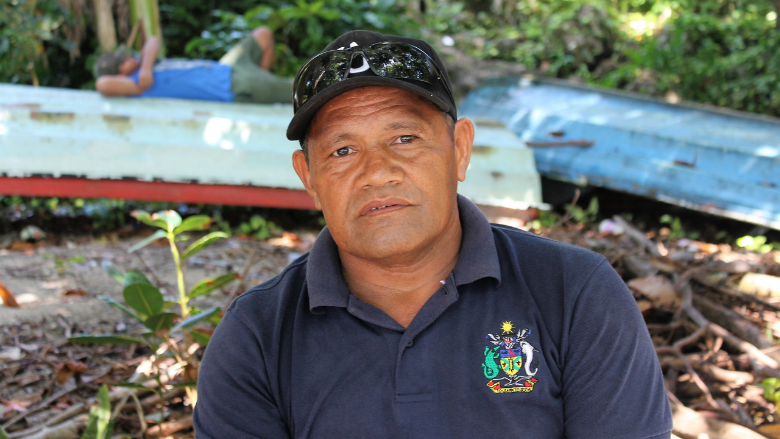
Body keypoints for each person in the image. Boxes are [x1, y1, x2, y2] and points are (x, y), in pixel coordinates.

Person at [193, 30, 673, 438]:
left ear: (460, 150)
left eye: (405, 139)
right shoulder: (256, 337)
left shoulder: (574, 292)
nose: (377, 172)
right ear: (309, 177)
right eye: (342, 150)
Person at [94, 27, 292, 104]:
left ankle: (266, 80)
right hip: (234, 85)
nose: (129, 58)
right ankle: (266, 85)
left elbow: (153, 40)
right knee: (297, 89)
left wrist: (145, 67)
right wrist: (139, 74)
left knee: (263, 35)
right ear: (119, 76)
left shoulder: (145, 68)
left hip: (227, 66)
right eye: (123, 62)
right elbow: (101, 84)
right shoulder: (137, 85)